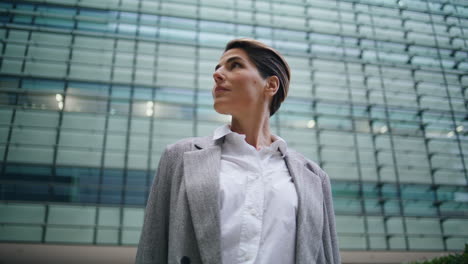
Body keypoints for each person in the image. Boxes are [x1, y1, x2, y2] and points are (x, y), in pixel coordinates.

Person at [135, 38, 340, 264]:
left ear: (271, 85)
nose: (218, 74)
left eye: (235, 65)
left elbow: (327, 256)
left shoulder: (314, 177)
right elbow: (152, 248)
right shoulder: (179, 156)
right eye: (218, 68)